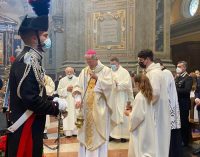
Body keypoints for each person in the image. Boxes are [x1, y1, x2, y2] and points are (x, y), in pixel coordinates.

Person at [6, 1, 67, 157]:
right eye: (45, 35)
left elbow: (34, 92)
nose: (48, 39)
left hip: (32, 123)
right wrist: (54, 107)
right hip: (27, 125)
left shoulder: (32, 59)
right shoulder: (27, 60)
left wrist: (52, 98)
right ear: (34, 38)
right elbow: (30, 99)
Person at [72, 49, 117, 157]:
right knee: (85, 134)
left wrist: (98, 79)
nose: (88, 63)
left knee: (98, 136)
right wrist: (78, 99)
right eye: (86, 61)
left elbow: (112, 87)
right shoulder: (84, 71)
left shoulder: (106, 71)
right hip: (85, 110)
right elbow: (78, 86)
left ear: (96, 59)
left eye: (90, 61)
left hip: (100, 110)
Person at [137, 49, 171, 157]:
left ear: (147, 59)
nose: (139, 62)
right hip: (154, 109)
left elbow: (155, 94)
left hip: (155, 110)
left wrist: (144, 106)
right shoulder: (151, 72)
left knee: (156, 136)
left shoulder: (155, 73)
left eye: (141, 60)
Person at [154, 58, 181, 157]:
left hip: (168, 106)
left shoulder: (165, 73)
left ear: (159, 65)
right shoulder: (163, 73)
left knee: (170, 133)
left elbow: (163, 91)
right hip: (166, 105)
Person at [125, 74, 155, 157]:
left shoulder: (139, 96)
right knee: (146, 149)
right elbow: (143, 110)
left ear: (137, 83)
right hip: (147, 126)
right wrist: (133, 107)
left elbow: (137, 117)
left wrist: (129, 113)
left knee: (140, 151)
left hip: (141, 128)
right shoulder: (147, 94)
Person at [109, 57, 134, 142]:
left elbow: (127, 84)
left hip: (122, 96)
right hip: (112, 97)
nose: (112, 66)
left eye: (114, 64)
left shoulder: (124, 72)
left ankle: (124, 136)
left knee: (123, 115)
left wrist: (117, 84)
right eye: (111, 64)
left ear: (118, 63)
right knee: (113, 115)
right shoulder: (109, 72)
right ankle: (112, 134)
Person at [175, 61, 193, 147]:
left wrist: (174, 90)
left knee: (184, 122)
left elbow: (186, 90)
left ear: (184, 68)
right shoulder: (178, 77)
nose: (178, 68)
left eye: (180, 66)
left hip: (184, 104)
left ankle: (185, 141)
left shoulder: (188, 78)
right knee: (179, 122)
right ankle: (180, 139)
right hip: (177, 103)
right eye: (177, 66)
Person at [57, 67, 78, 137]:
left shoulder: (77, 79)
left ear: (73, 72)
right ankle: (68, 133)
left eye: (70, 71)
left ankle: (75, 132)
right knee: (67, 117)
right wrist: (66, 89)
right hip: (66, 101)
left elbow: (81, 89)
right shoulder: (62, 80)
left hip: (75, 100)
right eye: (67, 72)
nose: (69, 73)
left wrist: (74, 89)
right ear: (65, 72)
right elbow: (59, 91)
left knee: (75, 115)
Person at [43, 74, 56, 139]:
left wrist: (44, 88)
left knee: (45, 116)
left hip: (45, 99)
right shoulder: (33, 75)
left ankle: (44, 132)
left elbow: (52, 87)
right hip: (36, 99)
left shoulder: (47, 78)